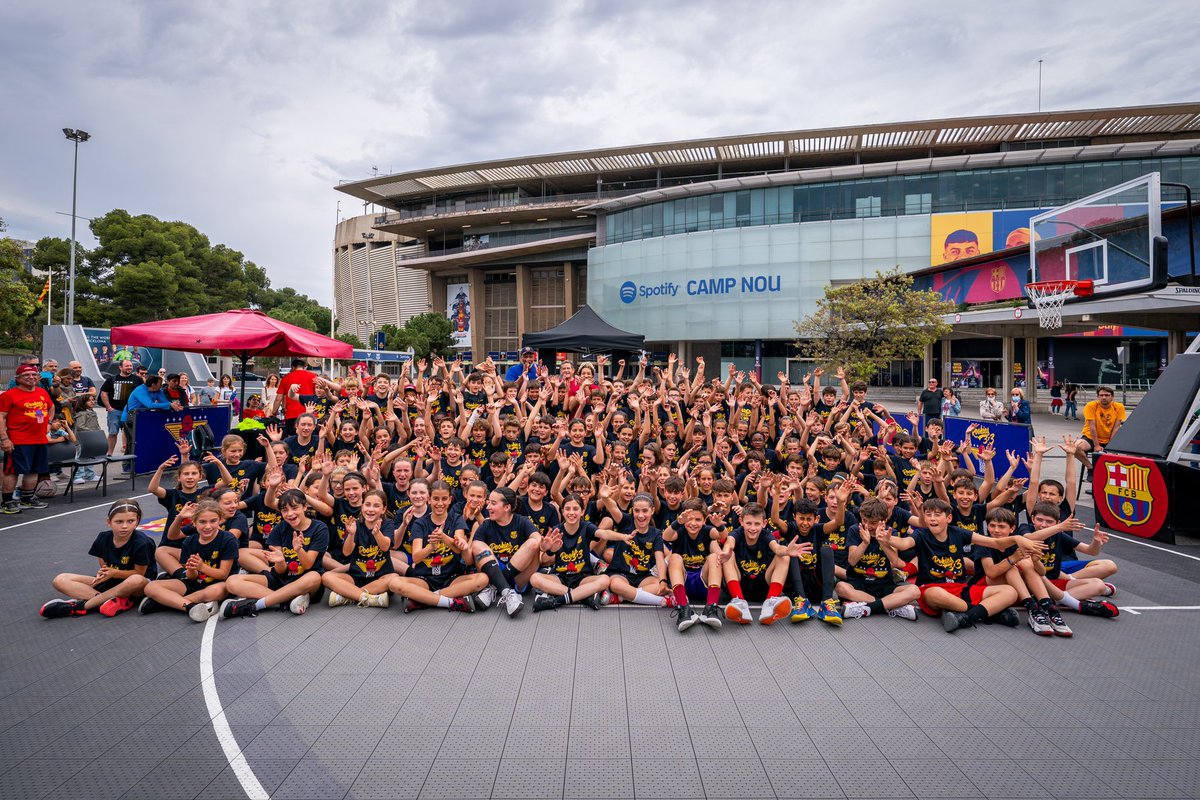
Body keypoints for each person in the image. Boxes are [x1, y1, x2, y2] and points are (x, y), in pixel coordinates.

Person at [221, 488, 329, 618]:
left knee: (315, 577)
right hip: (282, 579)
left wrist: (299, 550)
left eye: (294, 508)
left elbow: (308, 565)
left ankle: (256, 605)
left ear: (305, 507)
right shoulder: (280, 528)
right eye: (285, 510)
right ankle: (287, 600)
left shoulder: (319, 528)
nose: (290, 514)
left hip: (305, 579)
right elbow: (280, 572)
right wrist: (280, 561)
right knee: (232, 582)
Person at [39, 499, 153, 618]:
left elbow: (140, 574)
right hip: (112, 581)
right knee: (60, 580)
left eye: (130, 521)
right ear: (109, 522)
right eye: (119, 521)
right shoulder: (103, 538)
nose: (124, 526)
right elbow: (104, 566)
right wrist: (103, 574)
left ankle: (79, 606)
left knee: (135, 580)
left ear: (137, 521)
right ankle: (112, 601)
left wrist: (114, 573)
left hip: (137, 587)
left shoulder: (142, 542)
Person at [139, 499, 238, 622]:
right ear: (194, 523)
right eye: (202, 522)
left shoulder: (228, 540)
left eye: (213, 521)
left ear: (220, 520)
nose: (208, 526)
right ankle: (191, 606)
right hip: (195, 584)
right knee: (150, 587)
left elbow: (223, 574)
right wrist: (191, 570)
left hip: (218, 583)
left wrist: (202, 567)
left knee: (213, 592)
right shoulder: (189, 542)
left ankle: (166, 602)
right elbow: (191, 577)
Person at [0, 363, 55, 513]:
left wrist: (49, 423)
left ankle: (27, 499)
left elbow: (51, 407)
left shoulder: (42, 392)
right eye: (26, 375)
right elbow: (1, 417)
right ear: (18, 379)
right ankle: (7, 502)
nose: (31, 377)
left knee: (33, 470)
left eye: (34, 375)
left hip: (39, 439)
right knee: (12, 471)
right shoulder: (9, 395)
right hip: (18, 441)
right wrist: (4, 439)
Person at [1074, 386, 1126, 478]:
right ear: (1098, 397)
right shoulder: (1091, 406)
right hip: (1091, 438)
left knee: (1125, 454)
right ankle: (1091, 468)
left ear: (1112, 397)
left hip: (1109, 439)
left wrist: (1111, 445)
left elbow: (1116, 427)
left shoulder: (1119, 407)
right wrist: (1097, 445)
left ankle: (1107, 476)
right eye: (1101, 395)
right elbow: (1092, 427)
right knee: (1075, 447)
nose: (1104, 397)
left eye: (1107, 395)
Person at [100, 359, 140, 461]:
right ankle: (109, 454)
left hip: (131, 412)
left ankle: (129, 456)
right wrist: (109, 408)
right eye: (127, 366)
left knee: (131, 434)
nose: (129, 367)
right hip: (115, 411)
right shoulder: (112, 379)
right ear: (120, 367)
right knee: (113, 433)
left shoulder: (137, 380)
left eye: (131, 366)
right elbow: (104, 393)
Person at [272, 359, 318, 435]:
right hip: (309, 413)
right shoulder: (313, 376)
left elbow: (279, 397)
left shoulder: (286, 378)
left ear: (293, 367)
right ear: (304, 367)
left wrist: (274, 412)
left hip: (292, 414)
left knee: (293, 438)